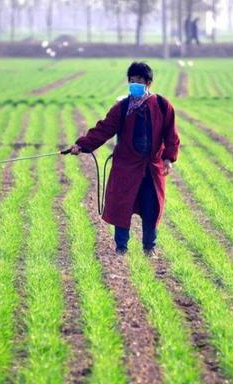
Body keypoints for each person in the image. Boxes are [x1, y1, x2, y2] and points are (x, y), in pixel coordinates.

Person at [69, 62, 180, 256]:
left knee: (151, 208)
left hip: (152, 169)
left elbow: (171, 135)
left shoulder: (162, 106)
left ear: (148, 83)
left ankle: (149, 248)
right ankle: (121, 248)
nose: (134, 83)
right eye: (131, 80)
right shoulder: (122, 108)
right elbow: (103, 129)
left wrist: (168, 158)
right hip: (125, 167)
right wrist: (82, 145)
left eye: (138, 80)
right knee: (122, 206)